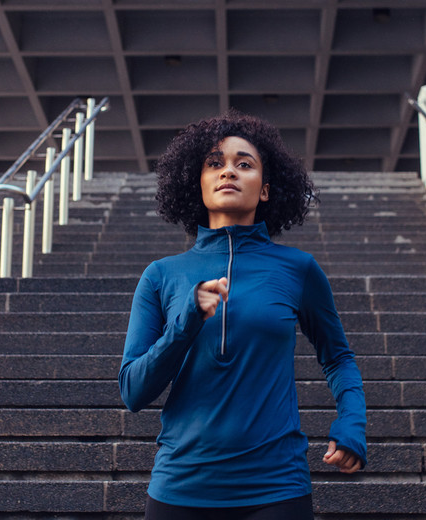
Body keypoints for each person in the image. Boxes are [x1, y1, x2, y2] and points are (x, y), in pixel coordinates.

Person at [119, 110, 367, 520]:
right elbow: (132, 390)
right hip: (180, 486)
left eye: (244, 164)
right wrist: (187, 320)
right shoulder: (161, 276)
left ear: (265, 190)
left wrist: (351, 425)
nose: (228, 171)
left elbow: (338, 358)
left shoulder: (298, 269)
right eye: (214, 163)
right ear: (196, 184)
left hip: (276, 488)